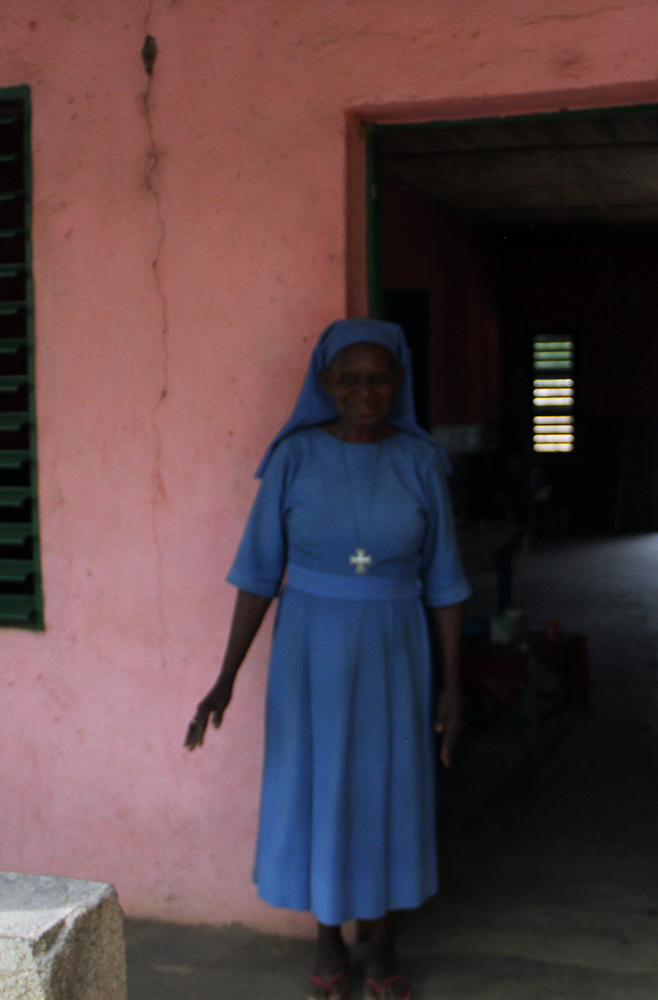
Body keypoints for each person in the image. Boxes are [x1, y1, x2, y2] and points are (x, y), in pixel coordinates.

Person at [186, 318, 469, 1000]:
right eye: (349, 379)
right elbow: (258, 575)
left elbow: (447, 582)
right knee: (315, 786)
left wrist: (453, 684)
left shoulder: (422, 461)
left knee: (385, 790)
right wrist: (223, 678)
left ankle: (380, 940)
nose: (364, 392)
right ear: (325, 385)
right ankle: (325, 934)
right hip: (309, 652)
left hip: (397, 653)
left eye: (378, 379)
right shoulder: (293, 458)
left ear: (398, 383)